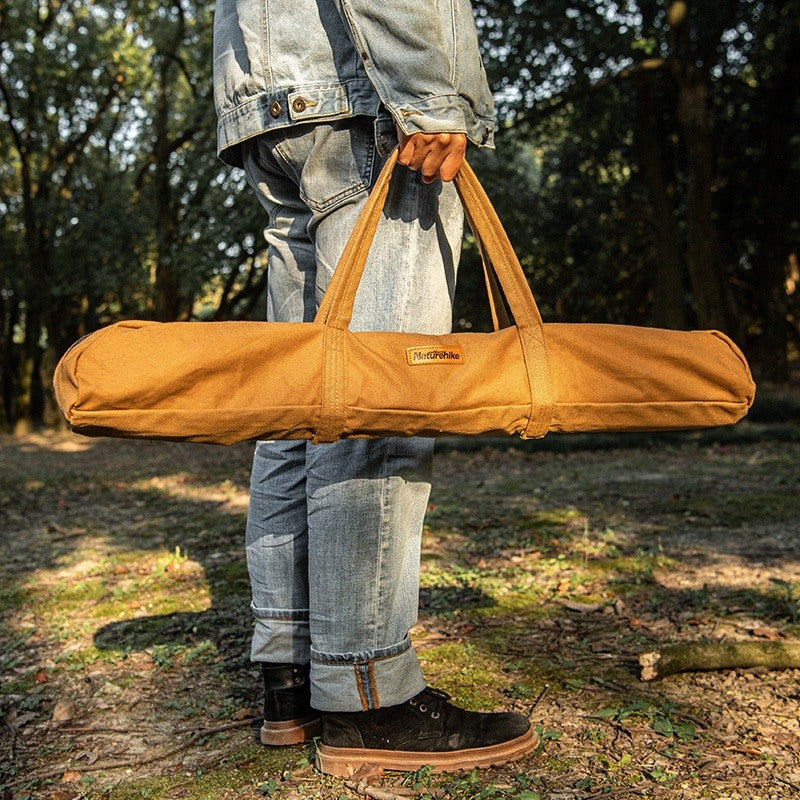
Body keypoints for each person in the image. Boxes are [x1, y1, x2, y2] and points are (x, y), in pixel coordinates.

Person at [211, 0, 537, 776]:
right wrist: (427, 89)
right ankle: (367, 694)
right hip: (364, 95)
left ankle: (290, 671)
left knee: (301, 400)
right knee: (385, 396)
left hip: (270, 104)